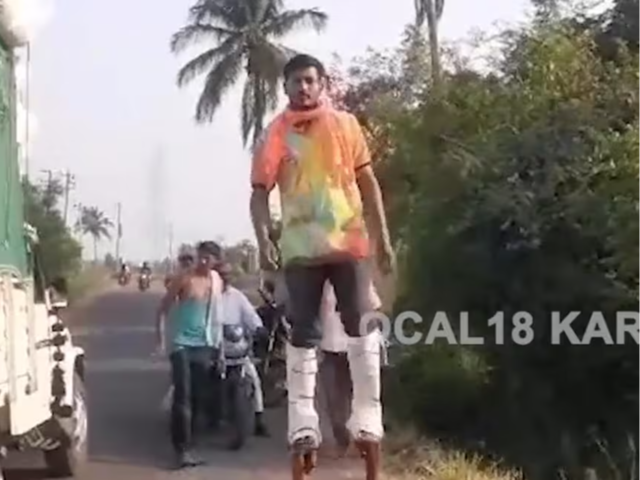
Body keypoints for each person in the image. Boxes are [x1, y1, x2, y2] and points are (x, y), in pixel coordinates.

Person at [249, 52, 394, 479]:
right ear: (286, 88)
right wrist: (263, 241)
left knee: (361, 327)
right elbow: (259, 193)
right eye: (295, 82)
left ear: (322, 83)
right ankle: (302, 422)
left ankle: (367, 414)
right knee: (304, 332)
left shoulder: (346, 125)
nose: (303, 88)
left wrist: (382, 237)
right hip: (299, 250)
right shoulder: (275, 133)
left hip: (348, 244)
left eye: (310, 80)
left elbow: (368, 183)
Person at [156, 240, 225, 469]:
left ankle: (191, 445)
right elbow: (163, 309)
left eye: (208, 258)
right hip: (181, 344)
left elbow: (218, 318)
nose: (203, 261)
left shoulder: (216, 282)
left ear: (216, 261)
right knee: (183, 396)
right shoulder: (184, 279)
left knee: (198, 396)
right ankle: (182, 449)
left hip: (205, 344)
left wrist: (220, 349)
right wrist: (160, 339)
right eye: (200, 256)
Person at [318, 279, 385, 457]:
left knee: (358, 398)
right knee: (333, 400)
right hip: (330, 350)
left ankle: (363, 442)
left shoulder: (358, 279)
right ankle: (342, 440)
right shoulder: (319, 284)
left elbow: (374, 308)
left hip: (355, 349)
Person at [215, 263, 271, 442]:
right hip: (214, 348)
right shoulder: (208, 296)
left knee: (254, 378)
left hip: (237, 346)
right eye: (221, 275)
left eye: (228, 275)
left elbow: (250, 316)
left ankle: (259, 419)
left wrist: (259, 329)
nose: (225, 278)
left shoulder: (237, 297)